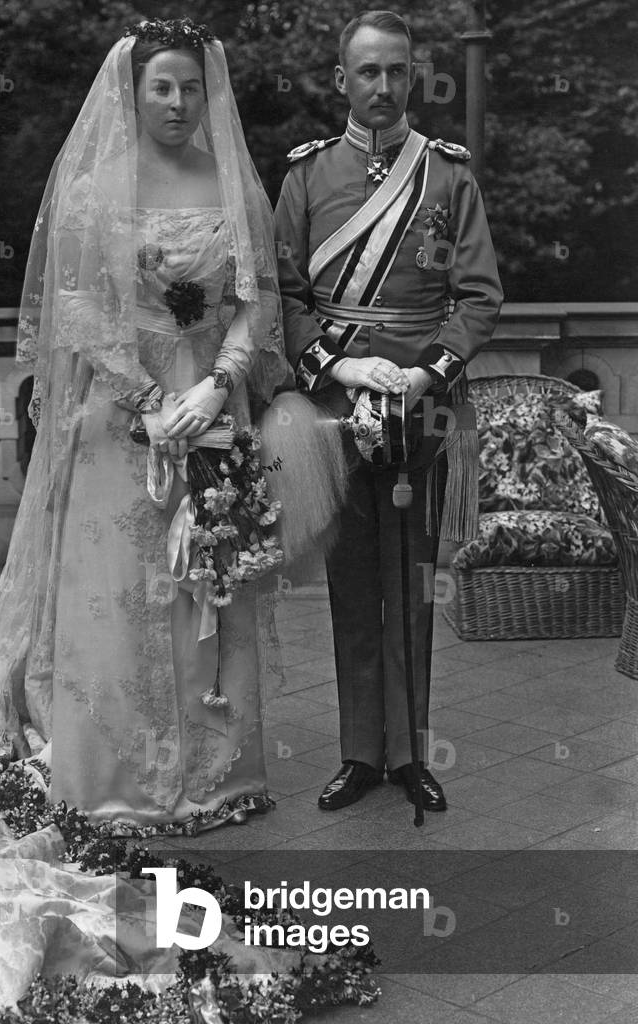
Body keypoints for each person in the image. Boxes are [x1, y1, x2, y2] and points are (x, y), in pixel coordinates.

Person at [0, 20, 295, 1020]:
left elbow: (255, 299)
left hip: (209, 409)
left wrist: (216, 385)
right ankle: (113, 780)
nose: (176, 102)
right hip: (118, 421)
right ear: (133, 94)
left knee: (205, 583)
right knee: (118, 598)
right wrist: (149, 401)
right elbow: (81, 315)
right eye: (161, 87)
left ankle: (213, 777)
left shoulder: (234, 183)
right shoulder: (98, 190)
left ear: (208, 94)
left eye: (189, 87)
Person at [274, 10, 502, 814]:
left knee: (413, 581)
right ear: (343, 80)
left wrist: (426, 373)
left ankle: (409, 753)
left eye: (396, 71)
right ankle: (359, 754)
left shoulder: (447, 175)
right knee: (351, 581)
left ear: (413, 76)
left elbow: (479, 296)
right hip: (334, 405)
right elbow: (282, 295)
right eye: (367, 72)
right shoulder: (306, 177)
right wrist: (336, 364)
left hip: (421, 406)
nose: (382, 86)